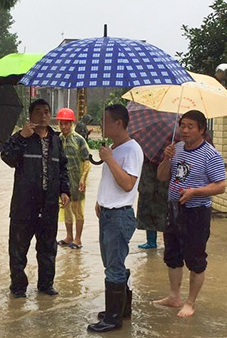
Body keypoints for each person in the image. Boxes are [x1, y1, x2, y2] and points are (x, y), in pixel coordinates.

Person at [155, 110, 226, 317]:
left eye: (190, 126)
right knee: (173, 254)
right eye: (182, 125)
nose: (184, 130)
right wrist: (166, 159)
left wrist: (195, 192)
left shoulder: (210, 154)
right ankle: (174, 297)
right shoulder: (175, 149)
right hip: (173, 209)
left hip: (196, 212)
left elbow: (221, 186)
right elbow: (161, 177)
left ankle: (190, 302)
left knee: (195, 258)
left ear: (201, 129)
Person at [1, 99, 70, 298]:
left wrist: (64, 190)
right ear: (30, 116)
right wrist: (22, 136)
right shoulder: (21, 138)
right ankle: (18, 287)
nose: (43, 116)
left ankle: (46, 284)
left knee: (48, 248)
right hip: (24, 205)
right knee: (18, 250)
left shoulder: (56, 140)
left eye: (47, 112)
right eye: (38, 112)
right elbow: (8, 158)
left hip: (48, 206)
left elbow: (62, 167)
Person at [87, 104, 144, 333]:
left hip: (120, 216)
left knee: (113, 267)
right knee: (112, 264)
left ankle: (113, 318)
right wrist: (101, 199)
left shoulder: (132, 150)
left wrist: (110, 159)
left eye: (106, 121)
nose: (102, 125)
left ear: (119, 123)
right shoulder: (114, 147)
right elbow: (110, 182)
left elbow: (128, 183)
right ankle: (122, 308)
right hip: (108, 213)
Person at [56, 107, 91, 250]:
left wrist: (83, 178)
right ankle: (69, 236)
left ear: (72, 124)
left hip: (77, 180)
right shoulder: (57, 140)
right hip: (63, 181)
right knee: (66, 209)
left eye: (66, 123)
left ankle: (78, 239)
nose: (64, 126)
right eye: (61, 123)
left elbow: (87, 161)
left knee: (78, 209)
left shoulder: (79, 140)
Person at [136, 156, 169, 250]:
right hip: (147, 181)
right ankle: (151, 241)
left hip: (163, 182)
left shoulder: (168, 149)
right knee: (148, 209)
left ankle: (168, 242)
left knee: (165, 212)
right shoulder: (144, 148)